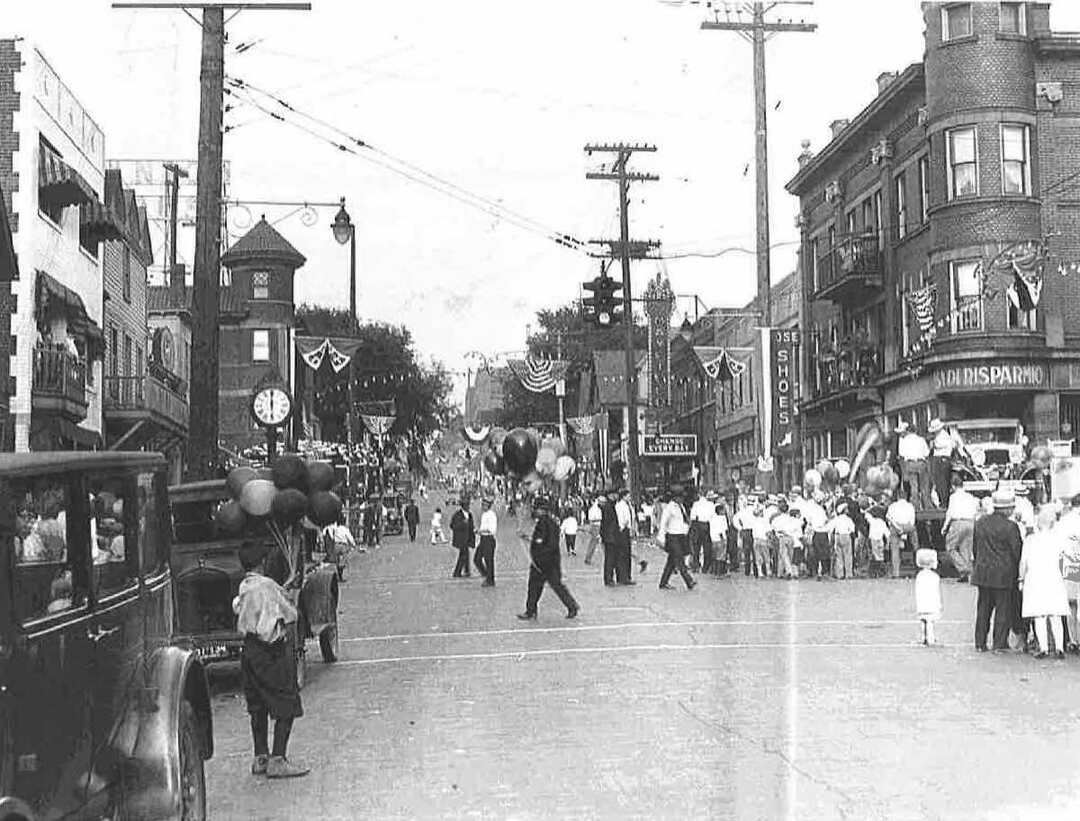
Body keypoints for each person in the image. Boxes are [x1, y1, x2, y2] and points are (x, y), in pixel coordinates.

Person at [233, 540, 308, 779]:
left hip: (249, 650)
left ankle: (260, 757)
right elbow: (290, 613)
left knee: (257, 705)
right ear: (263, 562)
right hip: (269, 650)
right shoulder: (267, 586)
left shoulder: (245, 586)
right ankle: (278, 759)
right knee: (287, 702)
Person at [972, 489, 1023, 652]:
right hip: (1004, 574)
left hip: (983, 572)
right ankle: (999, 643)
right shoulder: (1011, 527)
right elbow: (1017, 551)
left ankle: (980, 642)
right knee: (1003, 610)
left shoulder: (980, 522)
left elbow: (975, 547)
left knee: (983, 610)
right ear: (1006, 508)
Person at [517, 495, 579, 620]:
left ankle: (571, 606)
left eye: (536, 508)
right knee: (540, 587)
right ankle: (532, 610)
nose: (534, 511)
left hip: (545, 563)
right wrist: (527, 538)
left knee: (548, 586)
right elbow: (540, 540)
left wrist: (540, 557)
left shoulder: (545, 523)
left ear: (541, 509)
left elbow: (546, 543)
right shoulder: (547, 522)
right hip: (545, 562)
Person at [1019, 507, 1069, 658]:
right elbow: (1065, 561)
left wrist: (1021, 579)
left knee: (1039, 615)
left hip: (1035, 579)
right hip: (1055, 578)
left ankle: (1043, 648)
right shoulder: (1059, 540)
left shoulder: (1030, 540)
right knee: (1055, 615)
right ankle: (1059, 647)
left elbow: (1023, 562)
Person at [656, 488, 696, 591]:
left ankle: (663, 582)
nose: (682, 499)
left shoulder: (681, 507)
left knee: (671, 561)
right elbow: (663, 522)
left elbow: (683, 521)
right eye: (680, 497)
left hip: (681, 536)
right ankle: (688, 580)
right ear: (675, 497)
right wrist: (661, 537)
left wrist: (686, 531)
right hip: (672, 536)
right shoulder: (669, 508)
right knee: (679, 558)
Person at [941, 474, 977, 582]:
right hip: (970, 522)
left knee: (950, 547)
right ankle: (966, 576)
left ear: (953, 486)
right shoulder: (970, 497)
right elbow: (975, 511)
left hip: (958, 522)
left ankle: (964, 568)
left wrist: (944, 527)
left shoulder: (953, 497)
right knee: (965, 549)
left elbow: (950, 513)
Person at [897, 421, 932, 511]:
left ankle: (915, 506)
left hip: (910, 463)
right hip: (920, 463)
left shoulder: (904, 441)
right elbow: (926, 453)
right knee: (924, 486)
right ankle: (926, 506)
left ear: (908, 431)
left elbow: (901, 454)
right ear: (915, 431)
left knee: (914, 486)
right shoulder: (921, 439)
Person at [886, 491, 918, 579]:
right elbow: (912, 520)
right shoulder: (910, 506)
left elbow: (889, 518)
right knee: (915, 544)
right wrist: (906, 529)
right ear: (906, 497)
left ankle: (896, 573)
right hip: (908, 526)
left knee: (895, 549)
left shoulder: (892, 506)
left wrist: (898, 528)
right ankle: (917, 565)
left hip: (896, 527)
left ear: (898, 497)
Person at [915, 548, 942, 646]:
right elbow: (936, 591)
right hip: (932, 603)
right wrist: (939, 604)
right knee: (930, 622)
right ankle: (930, 638)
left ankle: (923, 637)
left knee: (923, 621)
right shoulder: (934, 576)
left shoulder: (919, 576)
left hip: (922, 603)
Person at [928, 418, 955, 508]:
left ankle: (944, 501)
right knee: (941, 481)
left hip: (941, 459)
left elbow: (938, 445)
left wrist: (932, 444)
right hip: (942, 459)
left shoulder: (943, 436)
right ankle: (943, 500)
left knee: (942, 481)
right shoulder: (941, 435)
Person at [828, 503, 856, 580]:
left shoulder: (836, 519)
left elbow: (830, 528)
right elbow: (852, 529)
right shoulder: (848, 519)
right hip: (846, 535)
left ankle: (840, 574)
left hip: (837, 536)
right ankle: (848, 574)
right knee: (847, 555)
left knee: (839, 556)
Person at [689, 489, 714, 573]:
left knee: (696, 547)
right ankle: (706, 567)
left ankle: (695, 565)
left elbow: (692, 516)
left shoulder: (696, 504)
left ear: (699, 495)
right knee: (707, 547)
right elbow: (712, 516)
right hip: (707, 525)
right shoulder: (711, 504)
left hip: (697, 525)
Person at [450, 497, 475, 578]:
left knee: (466, 555)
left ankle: (466, 571)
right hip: (460, 539)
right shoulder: (457, 515)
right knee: (463, 555)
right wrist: (462, 523)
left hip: (468, 538)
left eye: (468, 505)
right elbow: (452, 525)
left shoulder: (470, 514)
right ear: (463, 506)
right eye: (466, 505)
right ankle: (457, 572)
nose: (468, 507)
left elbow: (471, 526)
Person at [614, 489, 636, 585]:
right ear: (623, 496)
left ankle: (627, 576)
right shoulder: (619, 506)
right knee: (622, 554)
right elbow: (620, 518)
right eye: (628, 496)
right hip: (622, 530)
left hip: (627, 530)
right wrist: (622, 526)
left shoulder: (629, 505)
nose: (629, 497)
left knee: (627, 554)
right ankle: (622, 577)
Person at [475, 497, 497, 586]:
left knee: (489, 561)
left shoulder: (492, 515)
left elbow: (491, 530)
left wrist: (480, 531)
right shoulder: (484, 515)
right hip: (483, 539)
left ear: (488, 506)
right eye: (482, 504)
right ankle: (486, 575)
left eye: (484, 505)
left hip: (489, 539)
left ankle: (490, 580)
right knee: (477, 559)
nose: (483, 506)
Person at [867, 508, 889, 578]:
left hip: (873, 540)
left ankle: (874, 572)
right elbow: (887, 534)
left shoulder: (872, 521)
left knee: (874, 556)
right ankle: (881, 571)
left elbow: (866, 515)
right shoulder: (882, 522)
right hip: (880, 540)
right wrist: (887, 544)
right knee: (880, 556)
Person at [709, 501, 729, 575]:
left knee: (714, 556)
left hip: (713, 539)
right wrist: (723, 539)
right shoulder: (722, 518)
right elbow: (722, 529)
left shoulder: (712, 518)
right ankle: (719, 572)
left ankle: (714, 571)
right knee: (721, 556)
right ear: (720, 511)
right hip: (720, 539)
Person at [583, 495, 603, 565]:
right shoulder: (594, 509)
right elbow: (591, 519)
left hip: (597, 525)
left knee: (593, 543)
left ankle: (588, 558)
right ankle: (588, 558)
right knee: (593, 543)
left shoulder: (594, 508)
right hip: (596, 526)